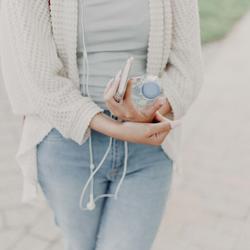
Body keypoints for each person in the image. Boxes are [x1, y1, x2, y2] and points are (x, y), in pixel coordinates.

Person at [0, 0, 203, 249]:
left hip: (148, 150)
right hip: (66, 146)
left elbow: (188, 68)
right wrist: (118, 128)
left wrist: (145, 112)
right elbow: (38, 78)